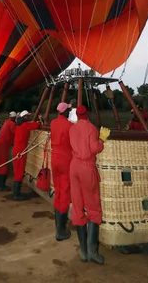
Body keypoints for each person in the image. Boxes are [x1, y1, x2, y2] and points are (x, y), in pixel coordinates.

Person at [69, 105, 109, 265]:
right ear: (87, 114)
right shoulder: (92, 129)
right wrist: (102, 140)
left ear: (77, 115)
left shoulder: (72, 129)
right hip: (86, 167)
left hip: (74, 167)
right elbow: (94, 148)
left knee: (78, 207)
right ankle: (93, 251)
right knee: (93, 208)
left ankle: (83, 252)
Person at [51, 102, 73, 241]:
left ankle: (58, 224)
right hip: (66, 161)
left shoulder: (53, 123)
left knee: (58, 190)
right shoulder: (70, 126)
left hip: (54, 160)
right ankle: (61, 231)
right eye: (68, 110)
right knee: (65, 192)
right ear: (64, 112)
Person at [12, 110, 42, 201]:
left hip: (17, 150)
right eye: (27, 116)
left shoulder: (19, 125)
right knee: (19, 172)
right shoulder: (25, 125)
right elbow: (36, 125)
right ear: (24, 117)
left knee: (17, 171)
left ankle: (16, 193)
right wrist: (40, 121)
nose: (28, 118)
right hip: (20, 152)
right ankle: (16, 195)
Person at [0, 111, 17, 191]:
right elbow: (17, 132)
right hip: (4, 146)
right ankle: (1, 185)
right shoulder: (12, 124)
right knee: (3, 164)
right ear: (14, 118)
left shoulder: (7, 122)